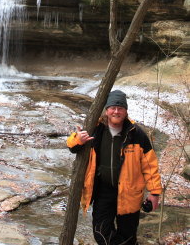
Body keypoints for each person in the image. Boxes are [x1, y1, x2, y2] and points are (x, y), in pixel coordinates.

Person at [67, 89, 162, 245]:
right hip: (103, 191)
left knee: (128, 237)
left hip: (130, 192)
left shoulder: (136, 134)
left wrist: (155, 192)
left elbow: (150, 166)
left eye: (120, 108)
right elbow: (71, 145)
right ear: (107, 110)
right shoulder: (95, 128)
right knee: (101, 234)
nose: (116, 111)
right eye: (113, 108)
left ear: (126, 111)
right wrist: (78, 139)